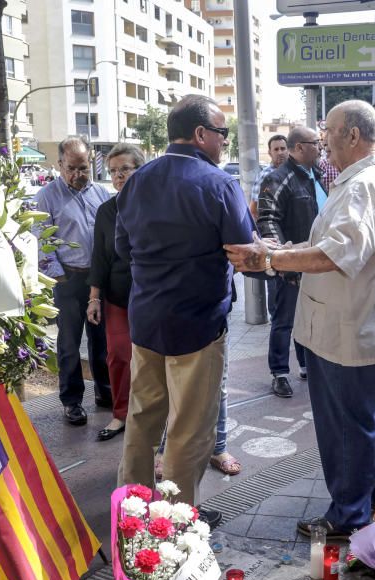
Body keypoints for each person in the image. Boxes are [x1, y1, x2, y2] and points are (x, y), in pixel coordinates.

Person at [225, 100, 375, 538]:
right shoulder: (370, 177)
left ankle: (349, 517)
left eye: (328, 130)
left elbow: (338, 252)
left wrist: (271, 258)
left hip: (350, 332)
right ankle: (369, 509)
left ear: (351, 135)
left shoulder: (364, 184)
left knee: (349, 431)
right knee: (369, 426)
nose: (322, 139)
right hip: (366, 326)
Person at [115, 94, 254, 523]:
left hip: (147, 321)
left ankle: (132, 513)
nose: (223, 143)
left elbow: (123, 248)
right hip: (197, 325)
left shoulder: (138, 180)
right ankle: (175, 523)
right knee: (189, 431)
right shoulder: (219, 184)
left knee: (142, 420)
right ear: (200, 134)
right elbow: (245, 252)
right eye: (221, 134)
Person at [35, 137, 112, 427]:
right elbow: (41, 240)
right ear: (59, 166)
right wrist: (59, 274)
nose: (78, 175)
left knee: (101, 340)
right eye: (72, 168)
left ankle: (105, 392)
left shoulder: (101, 194)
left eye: (83, 168)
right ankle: (72, 401)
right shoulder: (47, 196)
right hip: (67, 279)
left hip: (97, 280)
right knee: (68, 343)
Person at [256, 126, 327, 398]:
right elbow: (267, 220)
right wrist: (283, 259)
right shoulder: (278, 178)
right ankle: (279, 372)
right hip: (291, 264)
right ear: (298, 148)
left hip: (314, 262)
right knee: (284, 320)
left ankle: (306, 365)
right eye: (315, 143)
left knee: (308, 316)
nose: (320, 147)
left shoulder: (316, 174)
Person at [87, 143, 145, 442]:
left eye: (125, 169)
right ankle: (121, 414)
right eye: (113, 171)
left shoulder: (154, 204)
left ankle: (153, 416)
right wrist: (94, 297)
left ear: (140, 168)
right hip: (117, 296)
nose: (119, 176)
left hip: (152, 296)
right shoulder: (107, 210)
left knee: (153, 358)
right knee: (119, 355)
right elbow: (100, 257)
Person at [249, 134, 288, 218]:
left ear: (288, 150)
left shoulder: (295, 172)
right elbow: (254, 209)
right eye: (276, 149)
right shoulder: (264, 176)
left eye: (283, 148)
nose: (280, 152)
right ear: (270, 153)